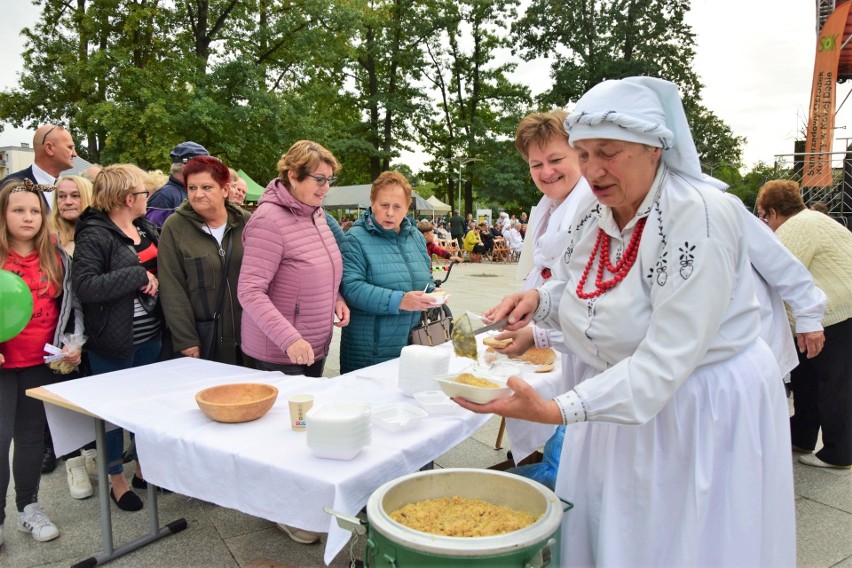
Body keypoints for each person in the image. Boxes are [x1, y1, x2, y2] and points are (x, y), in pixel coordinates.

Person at [456, 77, 795, 566]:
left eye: (608, 152)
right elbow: (586, 281)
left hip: (693, 402)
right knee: (610, 521)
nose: (592, 169)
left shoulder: (698, 215)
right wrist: (539, 300)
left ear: (655, 148)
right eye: (584, 152)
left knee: (677, 533)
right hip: (614, 392)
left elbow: (668, 355)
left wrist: (557, 410)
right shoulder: (595, 208)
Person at [73, 164, 162, 513]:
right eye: (143, 193)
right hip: (113, 343)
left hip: (149, 338)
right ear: (128, 198)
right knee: (111, 415)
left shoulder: (143, 226)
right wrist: (135, 274)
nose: (146, 197)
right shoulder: (94, 235)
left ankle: (142, 468)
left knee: (146, 408)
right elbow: (85, 286)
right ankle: (116, 479)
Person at [0, 179, 83, 545]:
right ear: (3, 214)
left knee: (32, 439)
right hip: (2, 368)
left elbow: (70, 307)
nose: (28, 217)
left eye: (35, 210)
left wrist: (73, 342)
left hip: (39, 365)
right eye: (18, 210)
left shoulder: (56, 254)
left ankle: (28, 509)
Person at [757, 179, 852, 469]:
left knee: (832, 384)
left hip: (832, 313)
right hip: (839, 308)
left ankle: (839, 453)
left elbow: (779, 272)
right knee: (807, 378)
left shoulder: (795, 227)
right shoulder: (816, 219)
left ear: (773, 212)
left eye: (763, 216)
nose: (764, 223)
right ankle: (802, 435)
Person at [158, 156, 251, 364]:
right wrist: (186, 339)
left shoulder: (246, 222)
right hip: (203, 338)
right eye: (192, 188)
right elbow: (172, 288)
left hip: (247, 336)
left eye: (207, 187)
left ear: (225, 190)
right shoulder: (175, 227)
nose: (198, 194)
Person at [340, 171, 434, 374]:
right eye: (384, 205)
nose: (390, 213)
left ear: (407, 208)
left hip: (412, 345)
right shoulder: (355, 239)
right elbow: (351, 288)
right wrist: (400, 301)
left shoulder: (416, 237)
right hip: (371, 351)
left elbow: (424, 276)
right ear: (372, 203)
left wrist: (432, 293)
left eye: (397, 206)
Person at [2, 124, 78, 213]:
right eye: (69, 147)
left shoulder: (75, 187)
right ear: (49, 148)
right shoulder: (9, 187)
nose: (74, 154)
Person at [145, 141, 209, 228]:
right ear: (187, 167)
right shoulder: (164, 196)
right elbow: (154, 235)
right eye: (203, 166)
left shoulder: (193, 193)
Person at [50, 175, 93, 256]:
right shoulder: (45, 236)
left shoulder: (105, 234)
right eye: (62, 196)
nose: (68, 202)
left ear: (88, 198)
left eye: (75, 196)